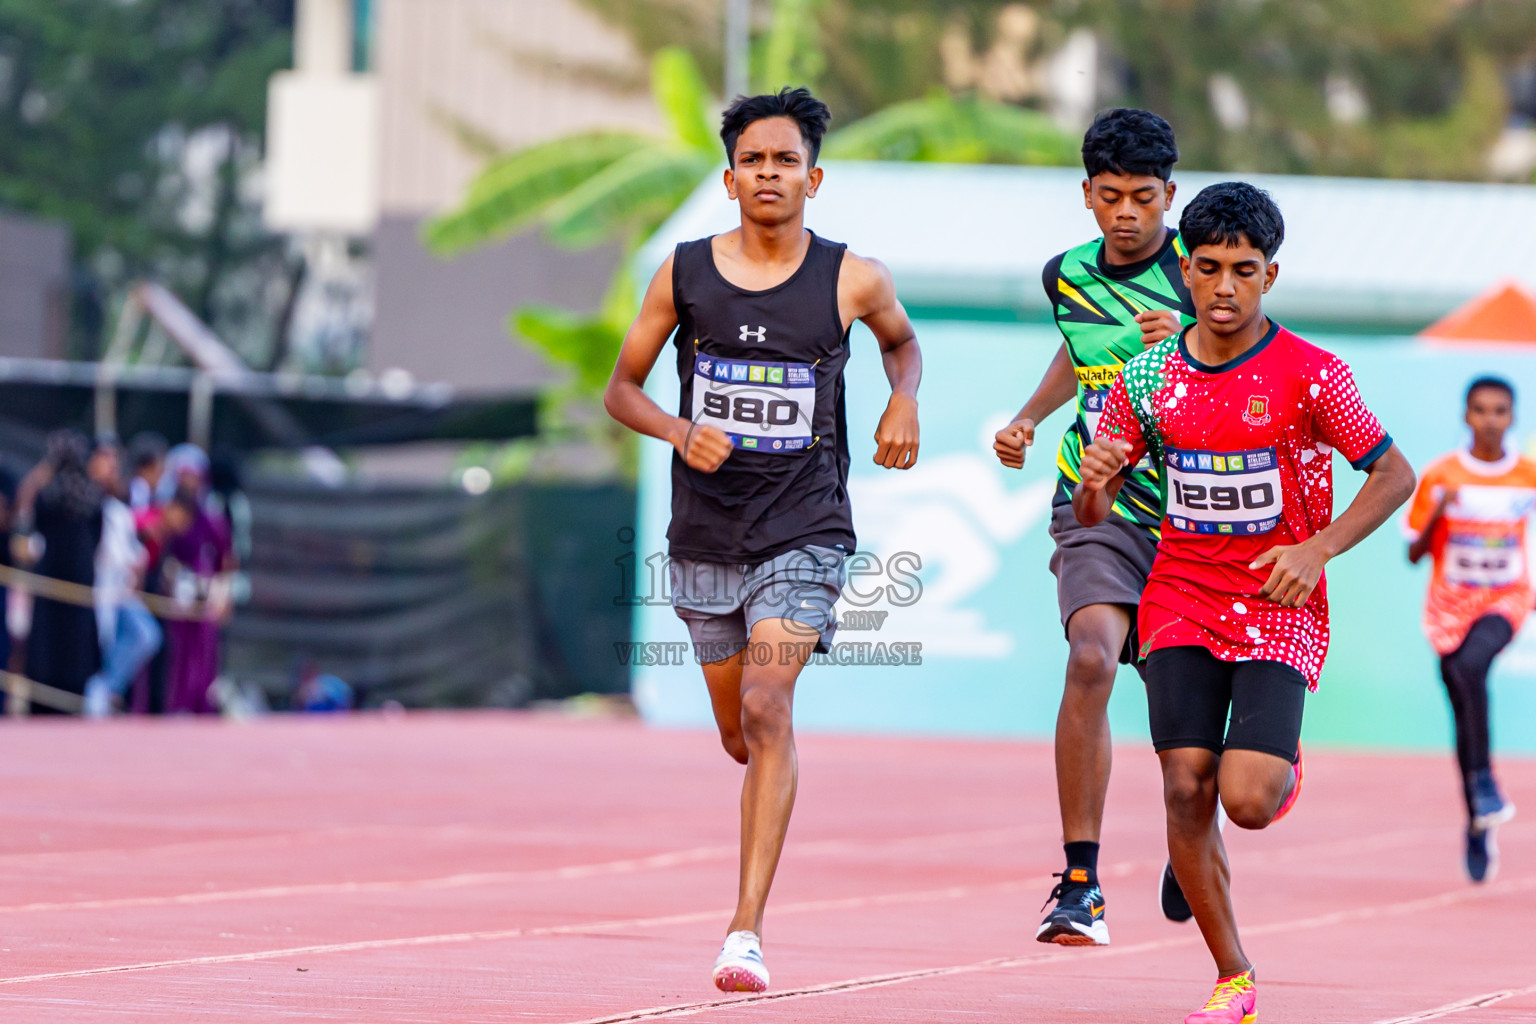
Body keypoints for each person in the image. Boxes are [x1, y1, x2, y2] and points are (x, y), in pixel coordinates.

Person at [603, 86, 921, 994]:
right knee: (741, 732)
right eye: (754, 160)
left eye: (786, 160)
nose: (769, 174)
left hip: (807, 528)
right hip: (706, 533)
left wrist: (903, 397)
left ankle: (743, 932)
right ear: (731, 175)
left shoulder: (853, 277)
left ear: (812, 178)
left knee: (769, 706)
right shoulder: (684, 273)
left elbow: (903, 345)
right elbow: (621, 388)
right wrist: (677, 430)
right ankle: (755, 777)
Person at [1076, 182, 1414, 1023]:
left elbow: (1394, 474)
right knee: (1184, 789)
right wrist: (1096, 483)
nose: (1224, 287)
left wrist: (1316, 547)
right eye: (1209, 269)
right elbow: (1096, 510)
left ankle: (1282, 762)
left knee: (1245, 799)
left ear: (1271, 276)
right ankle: (1234, 976)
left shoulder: (1311, 377)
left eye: (1244, 271)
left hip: (1278, 602)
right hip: (1180, 597)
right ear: (1185, 271)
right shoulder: (1148, 376)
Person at [993, 107, 1194, 944]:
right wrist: (1034, 417)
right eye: (1109, 196)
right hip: (1096, 502)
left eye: (1142, 197)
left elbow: (1253, 364)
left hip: (1192, 519)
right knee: (1090, 658)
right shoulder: (1065, 275)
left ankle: (1192, 838)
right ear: (1086, 194)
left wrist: (1185, 339)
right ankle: (1080, 884)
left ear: (1168, 196)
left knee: (1188, 732)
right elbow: (1077, 351)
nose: (1125, 213)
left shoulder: (1203, 271)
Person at [1405, 377, 1530, 882]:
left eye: (1500, 411)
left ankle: (1485, 786)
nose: (1490, 420)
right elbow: (1413, 554)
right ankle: (1478, 814)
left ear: (1512, 416)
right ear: (1466, 416)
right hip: (1448, 607)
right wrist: (1440, 508)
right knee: (1462, 696)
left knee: (1473, 665)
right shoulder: (1441, 476)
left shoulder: (1528, 476)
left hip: (1506, 599)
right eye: (1480, 410)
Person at [23, 432, 106, 709]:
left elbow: (33, 523)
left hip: (51, 575)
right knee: (76, 645)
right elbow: (97, 537)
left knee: (48, 643)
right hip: (81, 575)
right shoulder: (93, 495)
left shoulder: (49, 492)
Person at [83, 438, 163, 718]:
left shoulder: (118, 505)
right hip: (101, 588)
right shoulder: (87, 502)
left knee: (146, 635)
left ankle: (106, 687)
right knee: (104, 642)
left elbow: (131, 551)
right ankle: (99, 692)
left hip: (120, 589)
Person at [160, 447, 236, 714]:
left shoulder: (212, 518)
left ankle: (202, 706)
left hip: (204, 592)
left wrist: (223, 593)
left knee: (204, 654)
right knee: (177, 652)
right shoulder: (170, 513)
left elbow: (226, 558)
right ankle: (175, 705)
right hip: (178, 594)